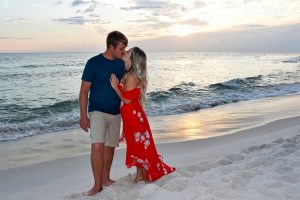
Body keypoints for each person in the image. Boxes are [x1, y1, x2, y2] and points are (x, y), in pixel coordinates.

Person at [110, 47, 175, 183]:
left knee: (138, 146)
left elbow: (127, 99)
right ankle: (140, 174)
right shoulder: (130, 74)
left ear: (133, 60)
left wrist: (116, 87)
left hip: (133, 118)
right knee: (136, 146)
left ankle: (143, 174)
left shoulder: (132, 77)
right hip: (132, 117)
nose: (125, 52)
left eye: (128, 52)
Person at [79, 31, 128, 196]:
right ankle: (97, 185)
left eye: (124, 48)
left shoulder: (121, 64)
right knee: (97, 146)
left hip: (116, 113)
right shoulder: (93, 63)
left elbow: (132, 74)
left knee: (110, 147)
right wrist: (83, 116)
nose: (123, 51)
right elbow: (84, 91)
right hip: (97, 111)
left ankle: (106, 179)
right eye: (121, 48)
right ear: (111, 46)